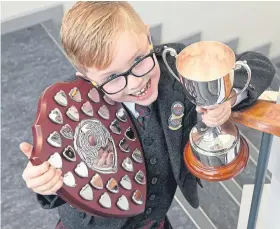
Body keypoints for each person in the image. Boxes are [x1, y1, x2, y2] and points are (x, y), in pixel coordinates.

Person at [20, 2, 275, 229]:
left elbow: (258, 65)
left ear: (148, 35)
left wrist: (226, 97)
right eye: (112, 78)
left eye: (139, 59)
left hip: (155, 219)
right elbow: (57, 173)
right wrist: (45, 182)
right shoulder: (72, 109)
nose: (135, 82)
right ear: (85, 78)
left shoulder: (174, 66)